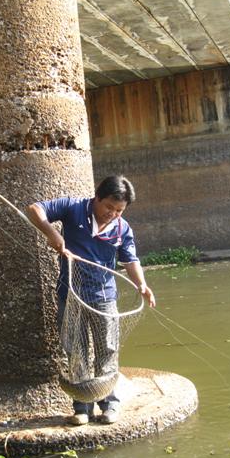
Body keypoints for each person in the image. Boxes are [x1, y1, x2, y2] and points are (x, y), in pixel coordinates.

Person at [27, 175, 156, 425]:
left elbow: (130, 260)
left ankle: (109, 403)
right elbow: (35, 209)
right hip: (71, 294)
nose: (113, 214)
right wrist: (52, 233)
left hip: (104, 296)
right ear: (97, 198)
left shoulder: (122, 228)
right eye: (109, 207)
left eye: (119, 210)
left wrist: (142, 285)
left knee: (107, 349)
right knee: (75, 349)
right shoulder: (73, 209)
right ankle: (82, 407)